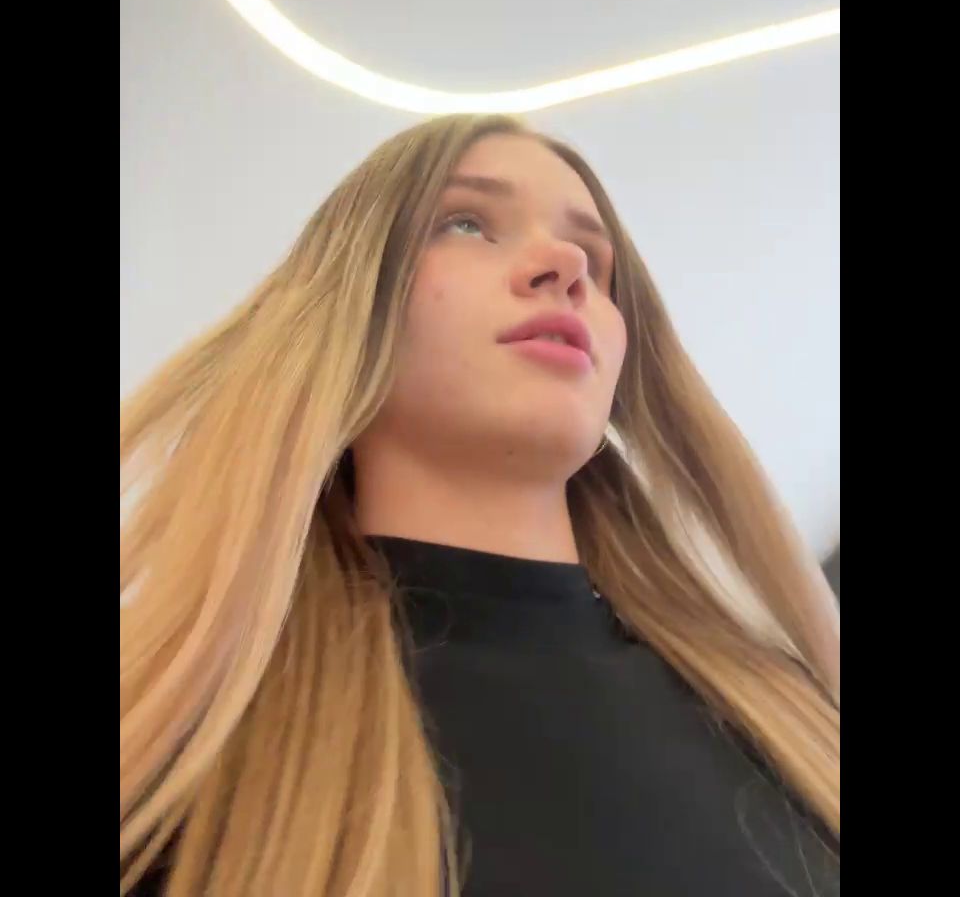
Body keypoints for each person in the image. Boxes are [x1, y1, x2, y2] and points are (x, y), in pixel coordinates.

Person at [120, 114, 840, 897]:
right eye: (466, 222)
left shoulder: (790, 712)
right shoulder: (183, 757)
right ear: (350, 303)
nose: (566, 264)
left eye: (596, 260)